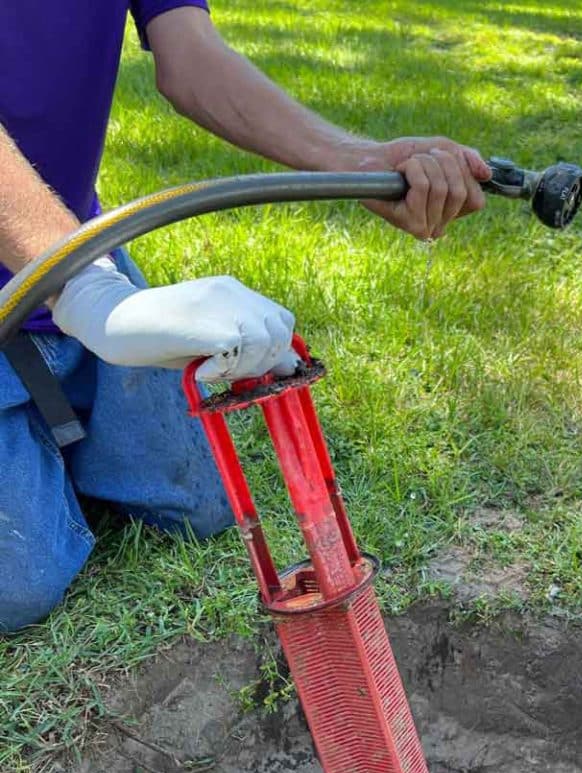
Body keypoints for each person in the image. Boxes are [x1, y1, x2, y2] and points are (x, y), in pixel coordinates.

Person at [0, 2, 490, 633]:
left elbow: (191, 58)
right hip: (71, 273)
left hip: (79, 254)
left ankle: (44, 435)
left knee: (200, 508)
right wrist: (87, 292)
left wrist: (354, 160)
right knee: (21, 584)